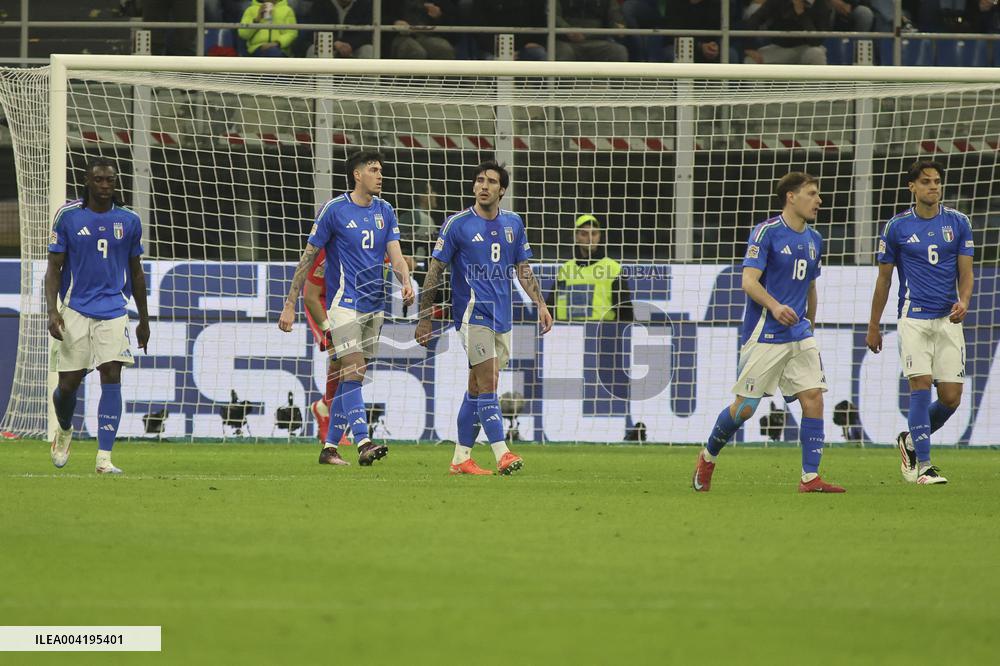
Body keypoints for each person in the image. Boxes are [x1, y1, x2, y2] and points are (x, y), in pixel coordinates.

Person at [692, 172, 844, 493]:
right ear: (791, 196)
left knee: (813, 398)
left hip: (799, 334)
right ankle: (708, 456)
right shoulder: (766, 232)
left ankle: (810, 477)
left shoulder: (815, 238)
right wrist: (775, 307)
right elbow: (748, 281)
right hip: (765, 332)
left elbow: (810, 287)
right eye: (812, 194)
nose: (819, 200)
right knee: (745, 408)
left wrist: (810, 325)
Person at [414, 161, 553, 475]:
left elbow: (523, 269)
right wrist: (425, 317)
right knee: (489, 380)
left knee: (477, 387)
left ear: (502, 190)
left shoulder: (513, 223)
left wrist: (541, 305)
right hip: (471, 314)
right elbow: (434, 271)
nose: (484, 186)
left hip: (501, 317)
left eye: (491, 181)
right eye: (479, 180)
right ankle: (502, 452)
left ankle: (461, 457)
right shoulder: (457, 224)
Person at [279, 150, 414, 466]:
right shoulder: (334, 210)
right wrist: (289, 304)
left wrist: (405, 280)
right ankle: (363, 441)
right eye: (373, 169)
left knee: (347, 377)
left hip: (374, 307)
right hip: (344, 305)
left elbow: (395, 255)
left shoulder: (386, 210)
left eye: (381, 170)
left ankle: (328, 449)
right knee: (355, 369)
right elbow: (308, 258)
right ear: (357, 174)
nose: (380, 175)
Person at [866, 160, 974, 486]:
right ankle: (923, 466)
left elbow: (966, 273)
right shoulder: (896, 227)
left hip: (948, 319)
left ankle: (910, 441)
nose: (933, 187)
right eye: (926, 182)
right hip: (913, 317)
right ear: (912, 187)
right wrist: (873, 324)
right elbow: (884, 280)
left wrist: (964, 301)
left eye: (937, 181)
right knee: (920, 386)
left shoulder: (958, 223)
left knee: (951, 397)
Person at [46, 158, 151, 475]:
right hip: (75, 308)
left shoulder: (129, 220)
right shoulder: (68, 216)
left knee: (111, 375)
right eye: (99, 180)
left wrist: (143, 320)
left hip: (113, 311)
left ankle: (104, 458)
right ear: (88, 181)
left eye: (110, 180)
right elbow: (54, 268)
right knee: (68, 385)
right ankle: (64, 429)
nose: (105, 186)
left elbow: (136, 273)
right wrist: (52, 310)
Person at [302, 248, 352, 465]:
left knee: (352, 363)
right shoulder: (323, 252)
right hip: (320, 303)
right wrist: (327, 329)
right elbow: (310, 295)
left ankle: (323, 407)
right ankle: (332, 420)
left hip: (345, 303)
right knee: (340, 356)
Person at [550, 214, 633, 322]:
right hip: (567, 334)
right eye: (584, 234)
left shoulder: (613, 269)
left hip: (602, 334)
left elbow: (625, 311)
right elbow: (550, 307)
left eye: (594, 233)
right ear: (576, 237)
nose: (590, 239)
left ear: (599, 236)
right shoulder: (566, 269)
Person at [743, 0, 831, 65]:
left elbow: (816, 42)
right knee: (750, 61)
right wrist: (749, 47)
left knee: (817, 53)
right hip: (780, 48)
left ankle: (817, 90)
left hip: (806, 48)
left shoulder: (822, 5)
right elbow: (755, 19)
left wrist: (801, 13)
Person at [555, 0, 629, 62]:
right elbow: (554, 16)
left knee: (618, 51)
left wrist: (618, 27)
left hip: (597, 40)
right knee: (565, 52)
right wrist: (567, 29)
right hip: (565, 41)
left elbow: (615, 17)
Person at [390, 0, 457, 60]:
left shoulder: (443, 3)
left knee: (444, 49)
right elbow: (383, 14)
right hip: (400, 35)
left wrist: (439, 16)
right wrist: (395, 22)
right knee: (415, 51)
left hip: (428, 35)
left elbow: (453, 26)